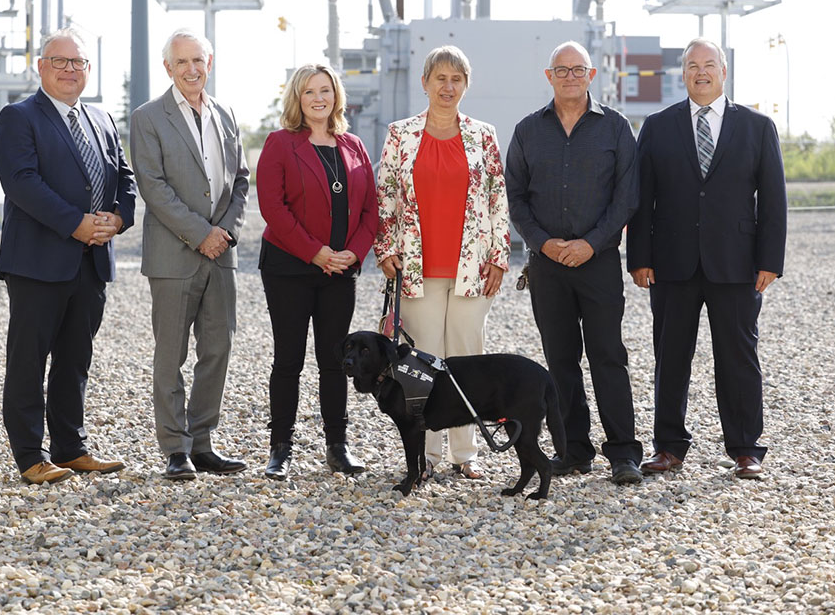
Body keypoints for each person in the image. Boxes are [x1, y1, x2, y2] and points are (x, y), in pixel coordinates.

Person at [627, 37, 787, 480]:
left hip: (736, 265)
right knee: (670, 357)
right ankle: (668, 447)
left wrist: (770, 260)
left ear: (724, 71)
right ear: (683, 74)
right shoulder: (657, 127)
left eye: (709, 64)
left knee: (738, 356)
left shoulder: (757, 127)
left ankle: (745, 449)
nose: (701, 71)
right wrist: (638, 257)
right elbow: (643, 199)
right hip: (671, 264)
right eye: (692, 65)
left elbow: (773, 199)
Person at [0, 28, 136, 485]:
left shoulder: (102, 119)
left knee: (75, 358)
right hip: (38, 259)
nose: (70, 70)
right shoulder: (19, 117)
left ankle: (70, 448)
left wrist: (118, 219)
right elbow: (22, 182)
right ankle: (30, 456)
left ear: (88, 70)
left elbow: (125, 178)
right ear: (41, 67)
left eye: (78, 63)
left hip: (91, 261)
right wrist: (75, 223)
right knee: (29, 359)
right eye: (61, 61)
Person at [505, 41, 644, 486]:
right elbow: (517, 198)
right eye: (561, 71)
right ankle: (574, 451)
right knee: (560, 360)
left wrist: (591, 243)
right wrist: (543, 244)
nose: (569, 77)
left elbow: (627, 197)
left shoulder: (616, 128)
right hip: (547, 266)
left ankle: (623, 453)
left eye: (577, 70)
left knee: (608, 357)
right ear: (549, 77)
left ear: (591, 76)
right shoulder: (528, 131)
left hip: (598, 263)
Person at [374, 45, 510, 481]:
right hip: (416, 269)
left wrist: (499, 259)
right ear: (425, 83)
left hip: (472, 267)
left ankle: (465, 453)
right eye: (440, 78)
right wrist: (385, 250)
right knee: (422, 364)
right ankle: (426, 456)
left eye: (456, 79)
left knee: (467, 359)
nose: (448, 87)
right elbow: (385, 199)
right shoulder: (401, 135)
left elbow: (496, 201)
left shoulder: (483, 135)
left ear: (466, 85)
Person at [129, 28, 251, 481]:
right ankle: (174, 449)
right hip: (174, 256)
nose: (191, 69)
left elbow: (240, 181)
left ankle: (203, 443)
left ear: (210, 63)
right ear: (168, 68)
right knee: (171, 353)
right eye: (182, 62)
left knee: (217, 349)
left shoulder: (226, 114)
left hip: (222, 255)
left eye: (198, 60)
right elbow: (153, 187)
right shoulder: (147, 117)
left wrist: (225, 233)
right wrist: (201, 234)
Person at [255, 64, 379, 480]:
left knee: (334, 361)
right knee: (288, 360)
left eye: (325, 90)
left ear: (336, 95)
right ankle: (280, 448)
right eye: (309, 91)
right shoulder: (280, 143)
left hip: (340, 272)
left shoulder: (355, 146)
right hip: (290, 269)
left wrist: (352, 254)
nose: (318, 98)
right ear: (298, 98)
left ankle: (337, 446)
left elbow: (370, 211)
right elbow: (273, 208)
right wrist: (316, 253)